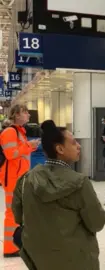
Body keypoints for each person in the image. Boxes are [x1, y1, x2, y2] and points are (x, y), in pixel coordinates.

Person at [12, 120, 105, 270]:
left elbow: (18, 217)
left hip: (39, 259)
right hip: (76, 259)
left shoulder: (25, 180)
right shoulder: (80, 183)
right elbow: (97, 222)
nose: (79, 146)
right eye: (74, 142)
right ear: (60, 149)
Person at [0, 104, 40, 257]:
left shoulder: (19, 132)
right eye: (25, 113)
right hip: (12, 179)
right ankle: (10, 248)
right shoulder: (10, 132)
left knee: (17, 212)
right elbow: (11, 154)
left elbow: (20, 152)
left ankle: (16, 243)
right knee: (12, 212)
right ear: (16, 115)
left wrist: (31, 146)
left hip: (18, 178)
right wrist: (29, 145)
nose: (28, 116)